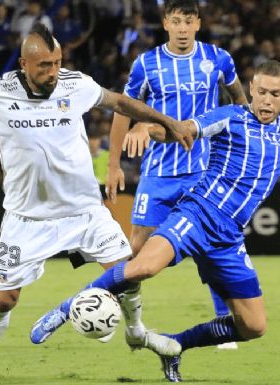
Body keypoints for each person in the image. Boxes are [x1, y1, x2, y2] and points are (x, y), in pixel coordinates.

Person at [35, 58, 280, 382]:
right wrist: (152, 129)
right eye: (262, 92)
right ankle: (68, 308)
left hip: (228, 238)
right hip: (197, 214)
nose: (267, 100)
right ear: (251, 89)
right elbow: (186, 130)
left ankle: (173, 345)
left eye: (276, 94)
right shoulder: (231, 117)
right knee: (143, 267)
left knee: (253, 326)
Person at [0, 23, 192, 385]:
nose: (53, 72)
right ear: (24, 65)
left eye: (57, 62)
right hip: (27, 218)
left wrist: (168, 121)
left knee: (127, 272)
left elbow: (120, 102)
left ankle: (136, 331)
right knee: (5, 298)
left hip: (84, 211)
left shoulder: (75, 85)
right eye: (44, 65)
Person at [105, 0, 248, 350]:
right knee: (136, 247)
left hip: (204, 171)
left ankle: (222, 321)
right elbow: (122, 111)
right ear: (165, 24)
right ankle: (120, 317)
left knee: (212, 244)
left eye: (188, 21)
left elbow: (240, 103)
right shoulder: (146, 64)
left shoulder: (218, 59)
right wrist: (113, 164)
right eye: (175, 21)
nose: (182, 28)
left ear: (198, 23)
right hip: (158, 172)